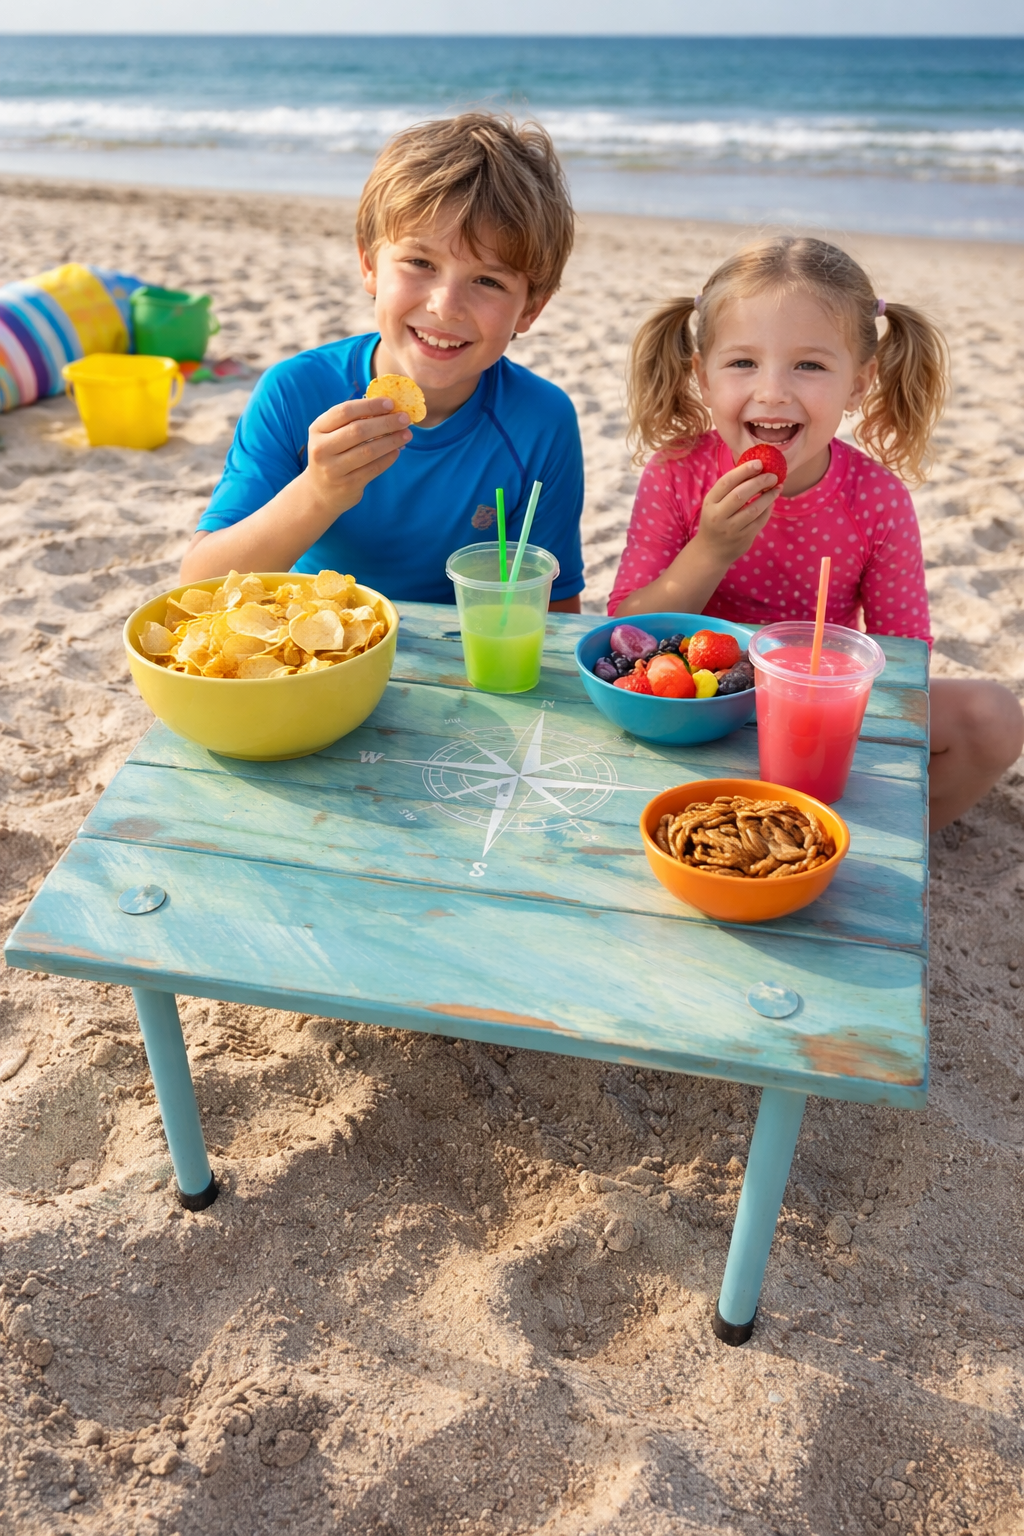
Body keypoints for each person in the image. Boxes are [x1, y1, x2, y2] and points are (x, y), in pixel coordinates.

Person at [609, 236, 1023, 831]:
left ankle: (900, 843)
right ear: (702, 376)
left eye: (809, 365)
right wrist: (713, 549)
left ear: (858, 383)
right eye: (743, 361)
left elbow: (904, 663)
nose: (773, 391)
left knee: (995, 717)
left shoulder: (876, 500)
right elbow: (627, 629)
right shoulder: (677, 472)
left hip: (816, 715)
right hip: (698, 708)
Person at [180, 113, 585, 612]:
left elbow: (555, 610)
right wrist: (320, 492)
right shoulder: (295, 392)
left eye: (489, 281)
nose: (445, 305)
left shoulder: (541, 422)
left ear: (530, 308)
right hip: (318, 651)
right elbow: (196, 588)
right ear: (370, 265)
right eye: (421, 263)